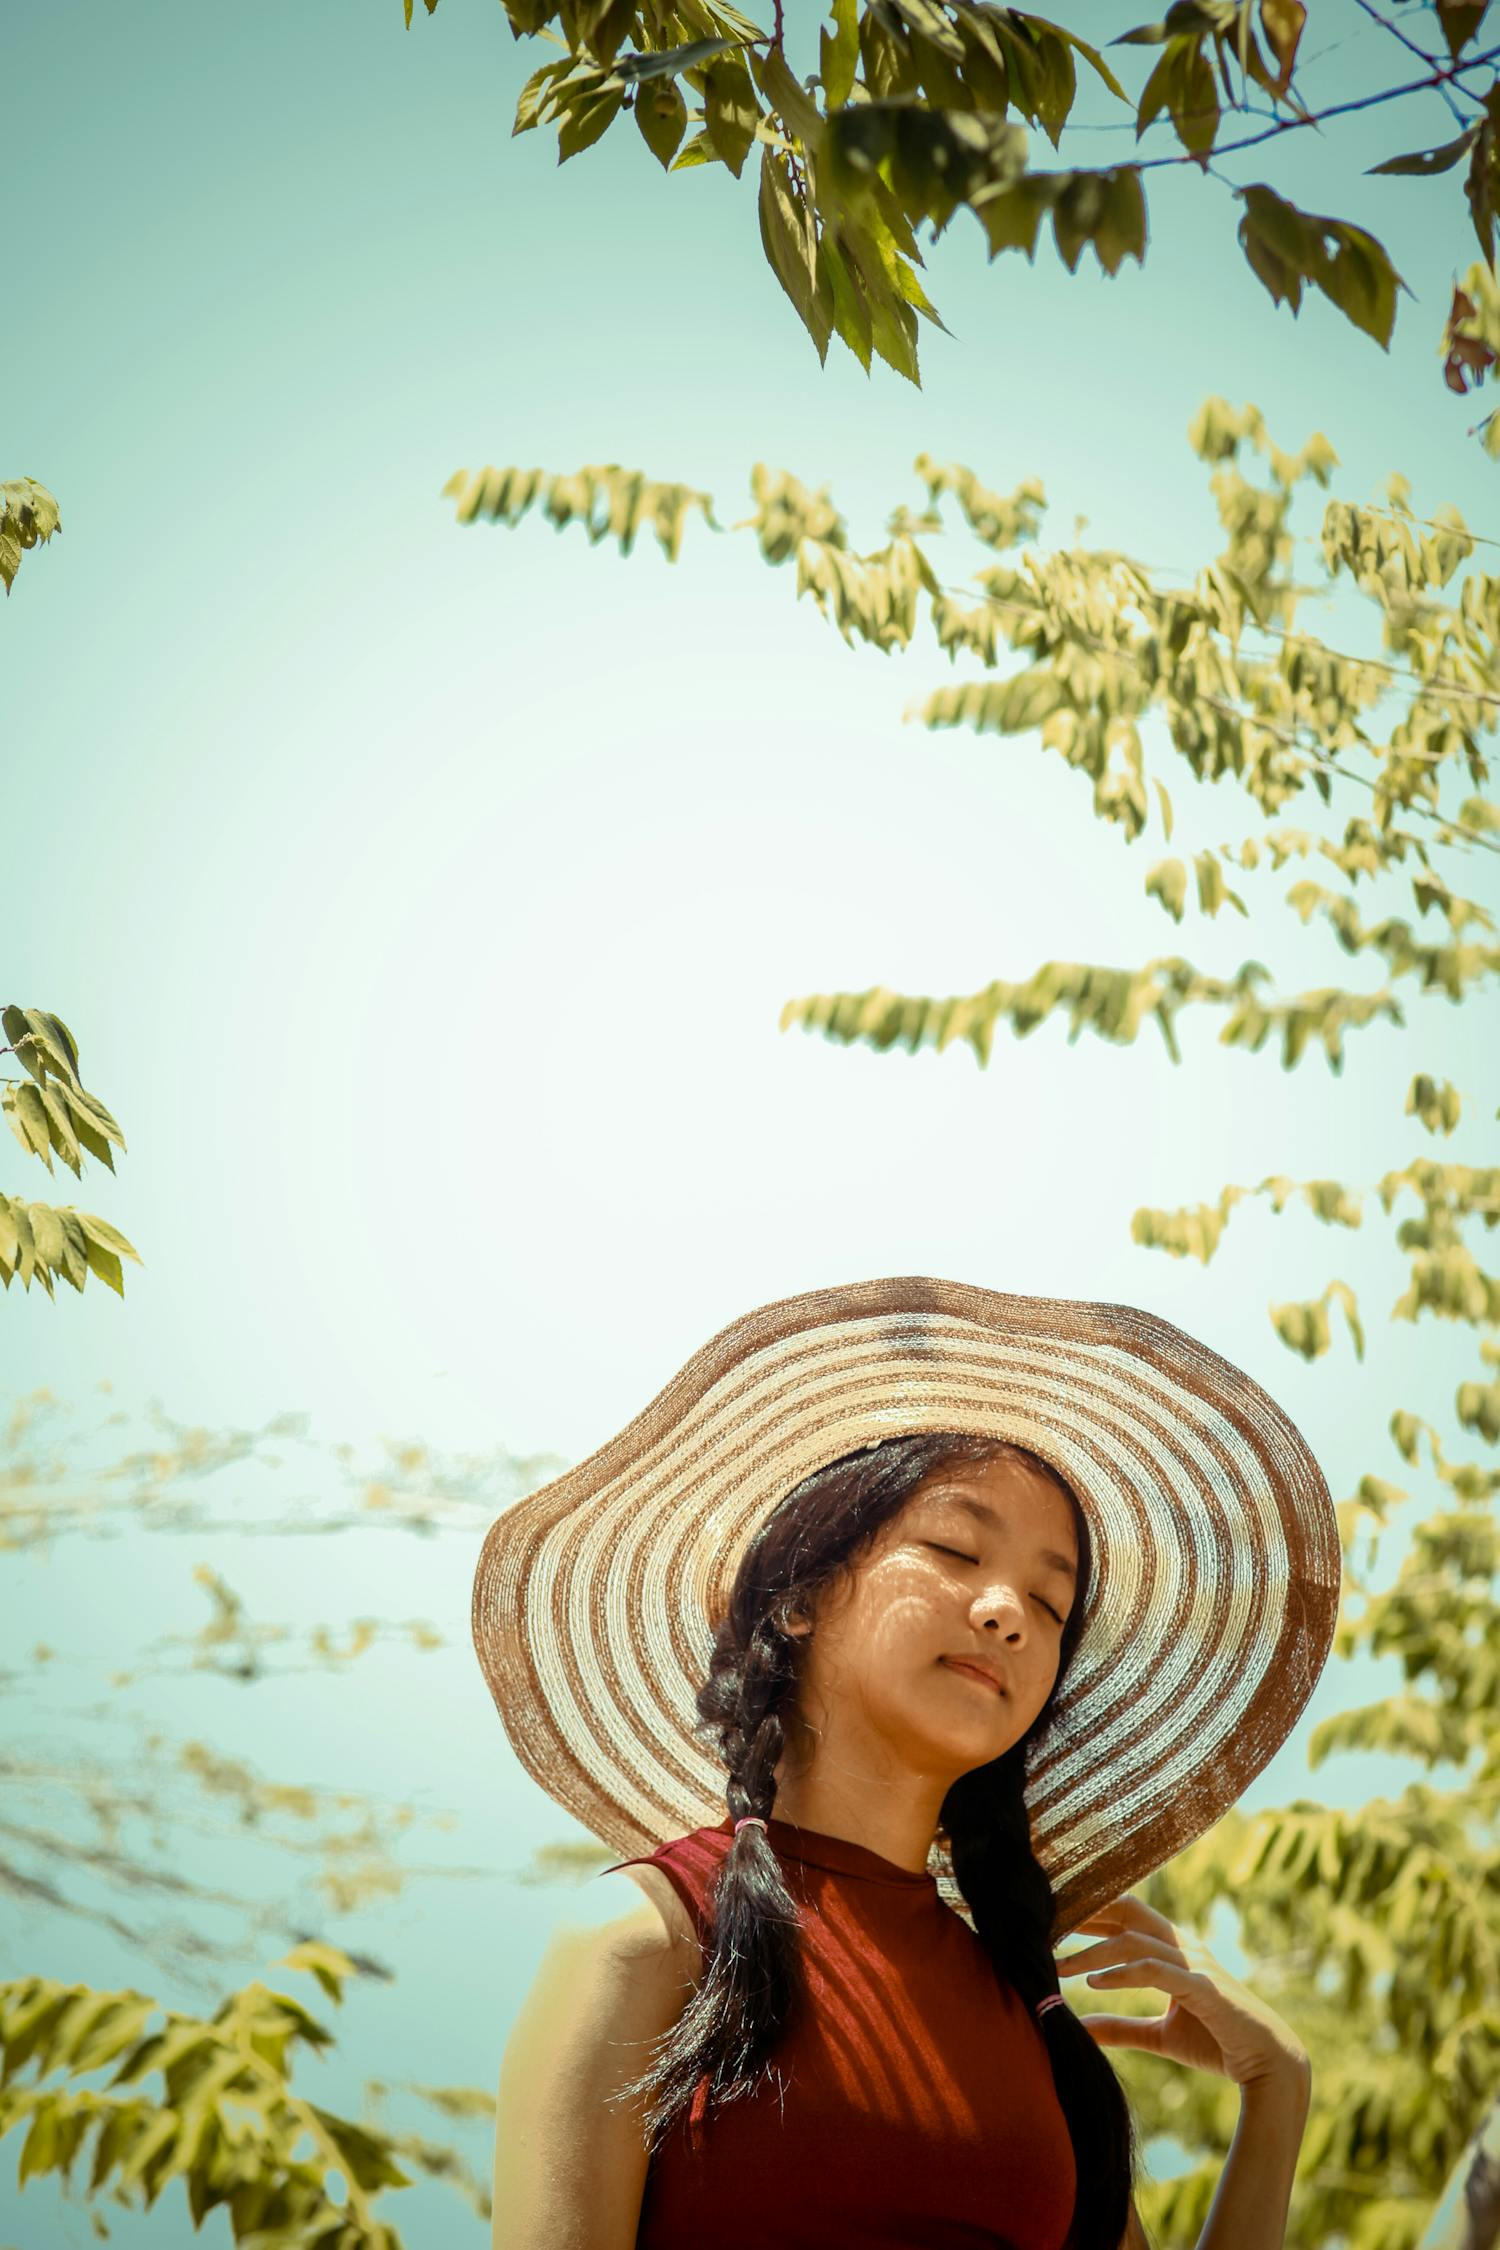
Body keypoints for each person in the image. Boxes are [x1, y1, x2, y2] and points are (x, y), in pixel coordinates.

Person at [474, 1278, 1340, 2250]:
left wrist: (1276, 2088)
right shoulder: (649, 1941)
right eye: (955, 1549)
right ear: (797, 1598)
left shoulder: (1031, 2019)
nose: (1008, 1610)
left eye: (1050, 1607)